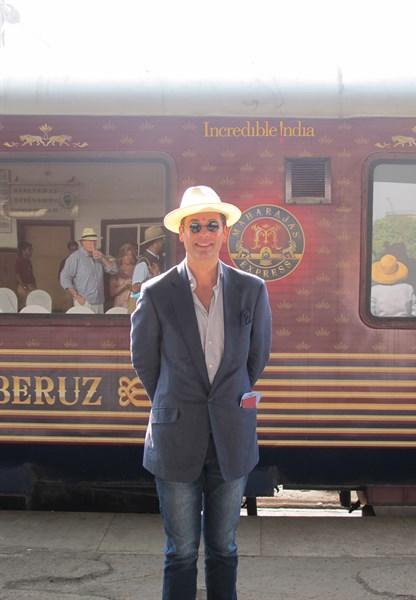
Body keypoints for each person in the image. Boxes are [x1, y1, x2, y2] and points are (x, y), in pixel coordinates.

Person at [130, 186, 272, 600]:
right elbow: (145, 362)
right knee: (180, 552)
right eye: (195, 226)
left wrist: (225, 399)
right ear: (182, 233)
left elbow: (256, 359)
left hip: (232, 434)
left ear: (224, 232)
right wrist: (173, 400)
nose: (204, 234)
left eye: (212, 225)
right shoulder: (156, 293)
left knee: (224, 548)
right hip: (175, 436)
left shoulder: (251, 289)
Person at [60, 227, 118, 314]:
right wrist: (76, 296)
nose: (93, 243)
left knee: (99, 323)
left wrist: (103, 258)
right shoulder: (75, 257)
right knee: (84, 323)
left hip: (99, 301)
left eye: (94, 241)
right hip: (84, 301)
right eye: (90, 241)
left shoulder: (99, 256)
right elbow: (64, 278)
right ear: (82, 242)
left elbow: (114, 270)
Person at [128, 225, 166, 312]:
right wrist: (153, 277)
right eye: (161, 239)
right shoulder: (143, 262)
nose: (163, 242)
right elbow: (135, 289)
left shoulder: (156, 259)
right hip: (144, 309)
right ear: (156, 242)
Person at [109, 243, 137, 308]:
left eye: (130, 255)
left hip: (132, 303)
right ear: (121, 256)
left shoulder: (136, 269)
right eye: (126, 255)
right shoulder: (116, 271)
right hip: (119, 304)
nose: (128, 257)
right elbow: (112, 293)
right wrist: (123, 285)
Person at [15, 241, 36, 310]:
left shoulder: (28, 261)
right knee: (24, 305)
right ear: (23, 251)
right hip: (23, 286)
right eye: (29, 249)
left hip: (30, 285)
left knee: (31, 303)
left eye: (31, 249)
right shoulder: (19, 261)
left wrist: (34, 285)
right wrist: (23, 286)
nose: (31, 251)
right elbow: (17, 275)